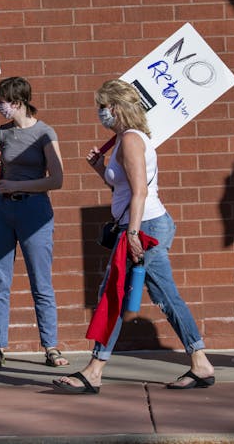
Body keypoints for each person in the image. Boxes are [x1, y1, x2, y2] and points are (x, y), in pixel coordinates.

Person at [52, 79, 214, 394]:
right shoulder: (127, 138)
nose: (100, 113)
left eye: (103, 106)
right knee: (123, 294)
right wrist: (101, 168)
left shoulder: (129, 140)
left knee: (149, 296)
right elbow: (126, 188)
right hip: (144, 224)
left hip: (145, 227)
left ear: (118, 107)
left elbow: (140, 191)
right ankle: (98, 369)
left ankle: (98, 371)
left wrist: (134, 232)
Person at [0, 76, 68, 369]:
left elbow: (56, 179)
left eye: (2, 102)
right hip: (1, 210)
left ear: (18, 102)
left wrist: (20, 187)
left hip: (34, 211)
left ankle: (51, 346)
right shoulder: (1, 133)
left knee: (40, 281)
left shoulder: (45, 133)